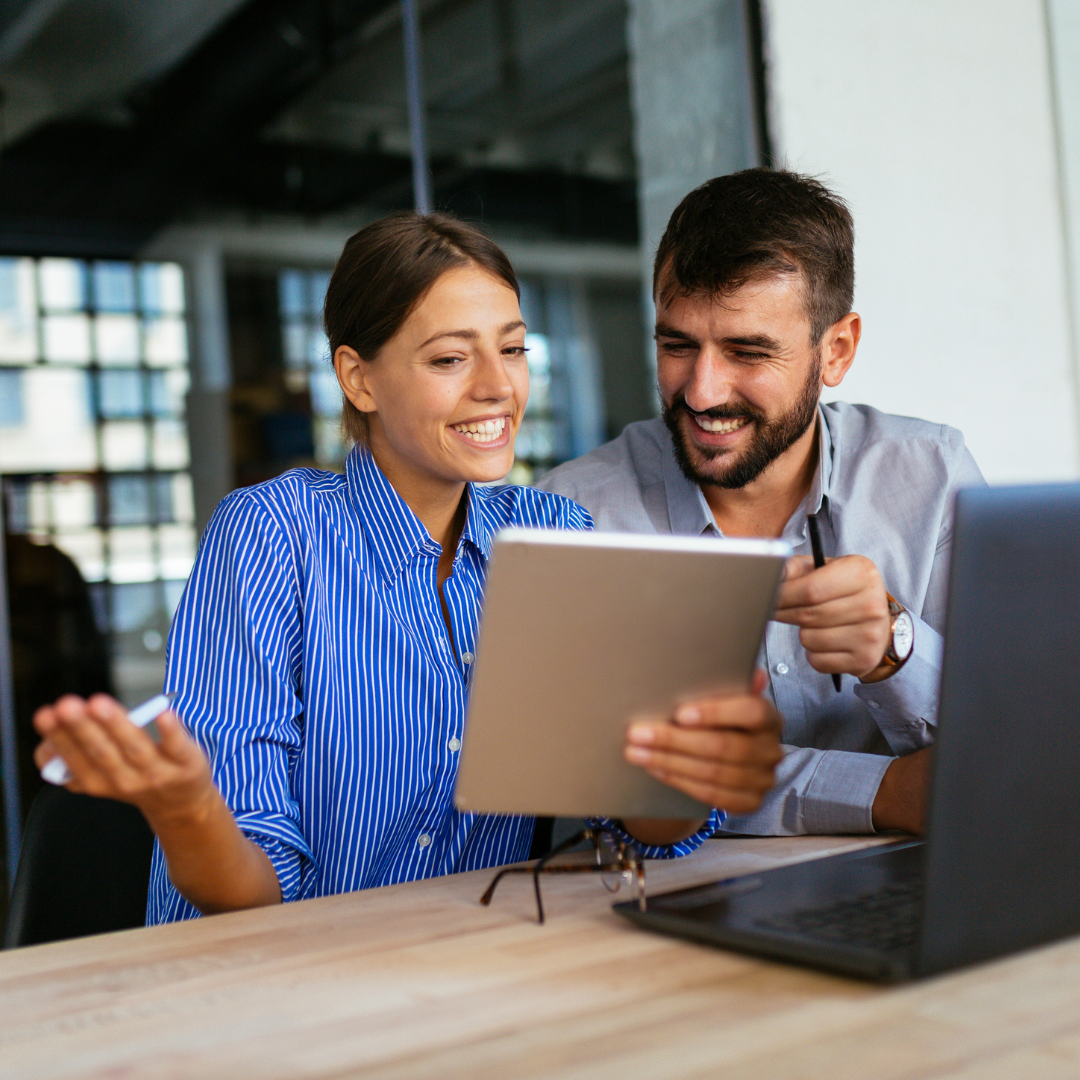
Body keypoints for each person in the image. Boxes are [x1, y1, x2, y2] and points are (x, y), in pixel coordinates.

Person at [32, 212, 783, 922]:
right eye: (451, 358)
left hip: (463, 967)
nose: (497, 385)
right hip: (270, 989)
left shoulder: (555, 531)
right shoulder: (273, 536)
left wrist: (682, 766)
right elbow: (250, 902)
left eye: (514, 348)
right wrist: (186, 805)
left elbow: (642, 827)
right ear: (359, 379)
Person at [541, 169, 985, 838]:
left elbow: (1011, 742)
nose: (701, 391)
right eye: (677, 346)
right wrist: (879, 792)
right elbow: (612, 786)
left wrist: (896, 648)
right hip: (666, 905)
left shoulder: (930, 474)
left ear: (835, 351)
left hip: (917, 888)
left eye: (747, 351)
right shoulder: (578, 510)